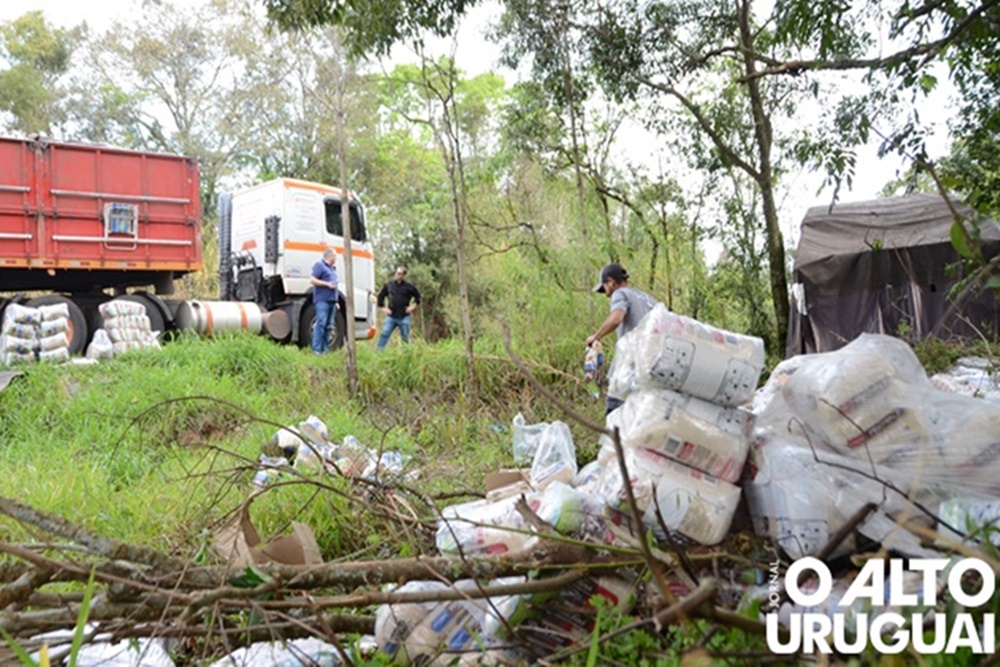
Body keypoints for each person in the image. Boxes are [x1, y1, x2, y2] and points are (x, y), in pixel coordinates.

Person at [586, 262, 658, 414]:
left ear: (611, 282)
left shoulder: (620, 294)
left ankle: (612, 438)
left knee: (614, 410)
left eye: (604, 287)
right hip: (652, 365)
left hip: (630, 364)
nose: (606, 293)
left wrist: (596, 337)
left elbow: (616, 318)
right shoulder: (648, 299)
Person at [376, 266, 421, 350]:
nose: (397, 275)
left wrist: (412, 307)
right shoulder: (389, 285)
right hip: (391, 316)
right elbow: (380, 297)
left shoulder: (409, 286)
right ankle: (379, 353)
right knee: (384, 333)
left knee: (405, 337)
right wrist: (384, 308)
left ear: (403, 275)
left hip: (404, 316)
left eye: (399, 273)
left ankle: (406, 354)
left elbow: (418, 298)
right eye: (396, 273)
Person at [309, 248, 339, 354]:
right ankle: (316, 350)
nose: (336, 258)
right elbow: (312, 280)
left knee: (329, 325)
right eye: (335, 256)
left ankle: (325, 349)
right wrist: (326, 284)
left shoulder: (333, 269)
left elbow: (335, 285)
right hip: (322, 300)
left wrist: (337, 301)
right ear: (329, 256)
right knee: (320, 324)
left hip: (332, 301)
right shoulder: (320, 266)